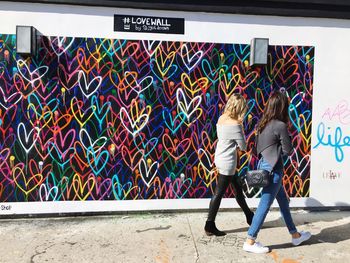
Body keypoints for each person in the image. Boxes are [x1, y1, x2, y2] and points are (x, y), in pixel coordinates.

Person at [243, 90, 311, 253]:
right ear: (282, 107)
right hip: (274, 171)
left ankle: (295, 235)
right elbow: (288, 150)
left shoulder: (263, 124)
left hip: (266, 167)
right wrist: (280, 145)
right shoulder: (280, 126)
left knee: (283, 204)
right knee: (264, 205)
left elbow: (259, 148)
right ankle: (250, 241)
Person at [204, 93, 254, 236]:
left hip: (220, 157)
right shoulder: (236, 125)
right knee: (219, 193)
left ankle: (249, 215)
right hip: (228, 162)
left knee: (237, 189)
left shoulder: (221, 118)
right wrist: (242, 130)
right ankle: (209, 224)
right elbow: (243, 147)